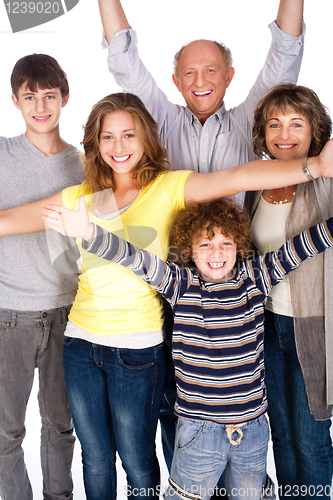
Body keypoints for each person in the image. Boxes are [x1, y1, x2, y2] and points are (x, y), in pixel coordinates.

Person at [1, 92, 333, 499]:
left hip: (141, 349)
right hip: (83, 342)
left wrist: (314, 166)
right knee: (96, 455)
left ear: (146, 140)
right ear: (95, 142)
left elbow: (240, 178)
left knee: (140, 462)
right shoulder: (79, 199)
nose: (119, 147)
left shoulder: (170, 188)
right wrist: (85, 229)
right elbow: (12, 220)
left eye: (129, 135)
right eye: (108, 137)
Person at [98, 0, 305, 471]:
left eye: (211, 70)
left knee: (242, 395)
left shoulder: (249, 118)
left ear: (230, 75)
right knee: (176, 400)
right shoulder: (160, 120)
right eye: (189, 72)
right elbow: (125, 62)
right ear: (176, 82)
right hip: (174, 283)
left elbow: (285, 57)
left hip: (241, 286)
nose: (200, 81)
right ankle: (191, 480)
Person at [40, 195, 333, 500]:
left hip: (252, 431)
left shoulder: (255, 278)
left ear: (239, 246)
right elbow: (134, 257)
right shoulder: (181, 284)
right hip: (199, 433)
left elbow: (301, 247)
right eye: (205, 244)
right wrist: (89, 232)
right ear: (190, 249)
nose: (216, 252)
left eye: (226, 243)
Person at [0, 54, 83, 500]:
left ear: (64, 98)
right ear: (15, 101)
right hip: (7, 314)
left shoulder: (85, 164)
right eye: (30, 96)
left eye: (49, 95)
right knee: (5, 433)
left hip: (66, 313)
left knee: (59, 426)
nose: (40, 106)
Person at [245, 84, 333, 499]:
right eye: (275, 124)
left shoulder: (327, 182)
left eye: (297, 123)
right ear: (263, 133)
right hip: (264, 327)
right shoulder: (255, 187)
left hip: (314, 328)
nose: (285, 133)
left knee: (311, 437)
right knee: (279, 434)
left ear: (315, 130)